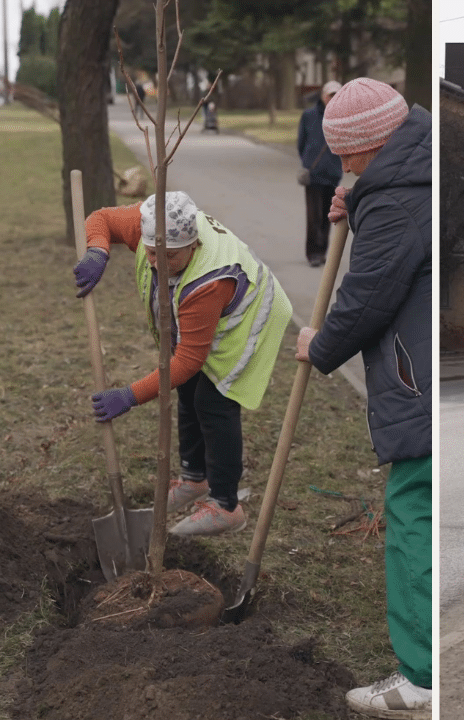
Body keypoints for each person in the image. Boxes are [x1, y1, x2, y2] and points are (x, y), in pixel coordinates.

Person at [293, 77, 431, 720]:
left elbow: (369, 294)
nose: (341, 169)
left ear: (374, 144)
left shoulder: (399, 200)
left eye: (349, 158)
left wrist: (319, 346)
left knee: (412, 511)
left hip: (420, 385)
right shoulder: (413, 166)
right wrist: (359, 192)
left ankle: (424, 676)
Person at [72, 191, 294, 536]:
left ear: (194, 246)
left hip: (249, 316)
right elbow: (100, 218)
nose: (159, 263)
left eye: (171, 258)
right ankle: (194, 480)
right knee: (189, 392)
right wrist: (97, 251)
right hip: (207, 315)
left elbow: (189, 360)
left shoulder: (209, 281)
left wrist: (129, 396)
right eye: (152, 253)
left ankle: (226, 506)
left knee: (214, 400)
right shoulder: (152, 223)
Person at [296, 80, 343, 266]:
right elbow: (301, 143)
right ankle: (313, 252)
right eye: (330, 95)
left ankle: (323, 250)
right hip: (313, 174)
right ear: (323, 96)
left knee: (327, 215)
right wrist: (307, 161)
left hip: (332, 173)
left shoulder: (342, 117)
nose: (333, 98)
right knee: (313, 216)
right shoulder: (309, 116)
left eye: (336, 95)